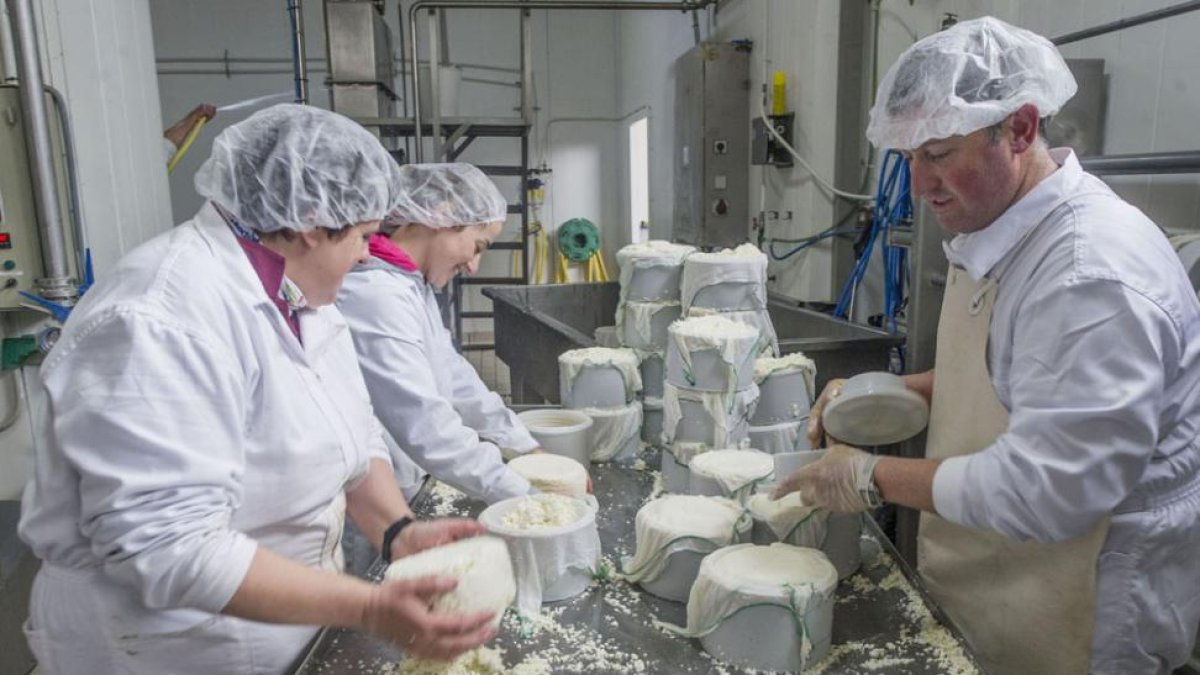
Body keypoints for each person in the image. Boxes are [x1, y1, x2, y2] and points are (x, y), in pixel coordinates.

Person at [775, 17, 1200, 675]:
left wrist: (869, 475)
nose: (918, 186)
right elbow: (1019, 375)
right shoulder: (1003, 228)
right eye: (909, 158)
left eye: (939, 154)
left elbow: (1049, 489)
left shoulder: (1091, 273)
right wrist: (891, 393)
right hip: (1005, 585)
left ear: (1021, 129)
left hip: (1085, 611)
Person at [19, 105, 499, 674]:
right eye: (364, 236)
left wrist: (398, 531)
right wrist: (368, 606)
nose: (369, 253)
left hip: (282, 630)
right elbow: (169, 548)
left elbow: (354, 429)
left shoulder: (299, 294)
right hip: (163, 648)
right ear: (308, 222)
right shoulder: (158, 318)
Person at [338, 163, 545, 504]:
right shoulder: (375, 294)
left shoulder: (408, 284)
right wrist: (528, 496)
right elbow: (425, 423)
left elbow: (450, 369)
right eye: (477, 246)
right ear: (442, 216)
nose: (473, 266)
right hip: (377, 504)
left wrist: (520, 442)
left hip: (409, 481)